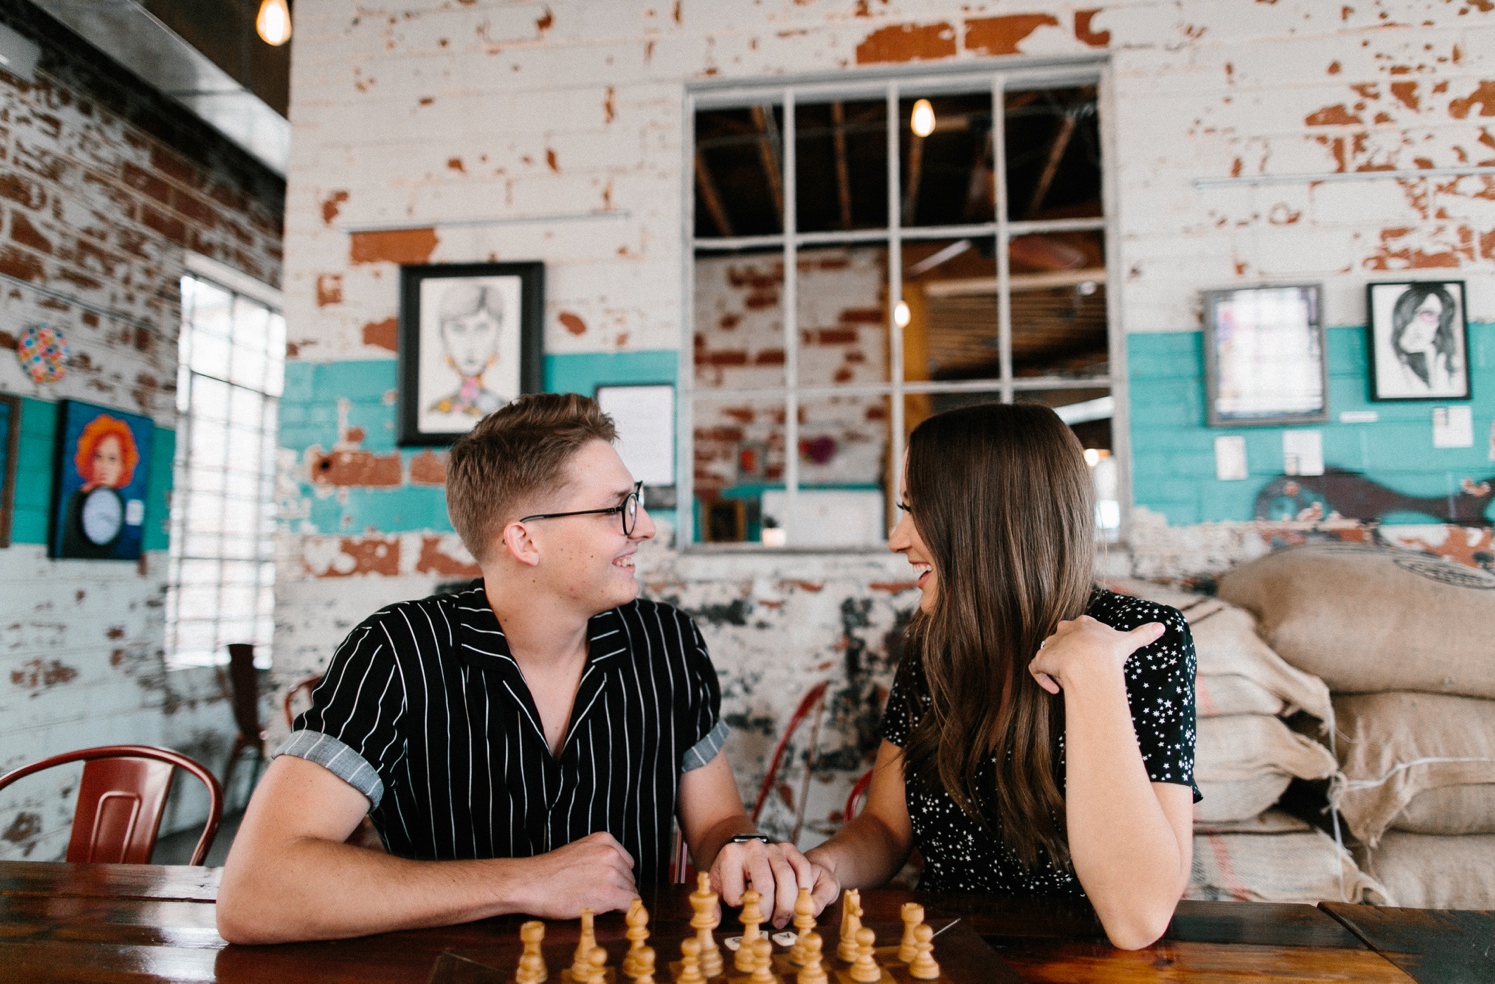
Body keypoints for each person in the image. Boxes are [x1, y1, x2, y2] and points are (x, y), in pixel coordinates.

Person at [218, 393, 811, 944]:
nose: (646, 527)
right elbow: (254, 891)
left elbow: (717, 821)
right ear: (524, 541)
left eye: (637, 503)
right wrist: (524, 880)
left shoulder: (669, 642)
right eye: (616, 509)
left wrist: (743, 847)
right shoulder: (397, 652)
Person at [803, 402, 1198, 950]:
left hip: (1084, 964)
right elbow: (887, 829)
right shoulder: (932, 640)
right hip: (946, 953)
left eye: (917, 511)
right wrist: (823, 867)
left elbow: (1138, 917)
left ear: (988, 521)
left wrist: (1094, 676)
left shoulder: (1144, 640)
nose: (897, 538)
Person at [57, 413, 139, 559]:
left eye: (112, 459)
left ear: (123, 465)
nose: (104, 466)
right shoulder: (76, 499)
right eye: (98, 457)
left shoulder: (122, 503)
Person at [429, 282, 508, 418]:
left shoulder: (507, 412)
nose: (470, 343)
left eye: (482, 328)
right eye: (459, 328)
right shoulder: (435, 412)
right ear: (443, 334)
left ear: (497, 333)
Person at [1389, 282, 1461, 394]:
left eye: (1429, 315)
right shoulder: (1390, 365)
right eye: (1411, 312)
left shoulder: (1439, 363)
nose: (1415, 325)